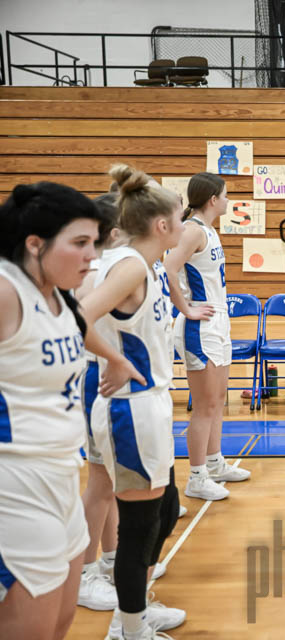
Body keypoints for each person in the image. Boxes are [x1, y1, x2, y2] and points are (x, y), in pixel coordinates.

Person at [0, 182, 128, 639]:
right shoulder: (6, 290)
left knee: (60, 622)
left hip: (61, 476)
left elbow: (77, 328)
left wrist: (115, 358)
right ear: (35, 244)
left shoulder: (57, 295)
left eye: (95, 242)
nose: (92, 255)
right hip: (16, 485)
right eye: (80, 243)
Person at [83, 165, 187, 639]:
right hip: (131, 408)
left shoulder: (141, 264)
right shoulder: (127, 267)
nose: (185, 224)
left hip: (150, 403)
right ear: (162, 225)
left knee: (164, 510)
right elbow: (73, 316)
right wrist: (113, 358)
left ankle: (136, 610)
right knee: (140, 527)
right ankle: (127, 630)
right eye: (179, 217)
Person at [164, 172, 250, 503]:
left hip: (218, 322)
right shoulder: (192, 231)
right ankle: (197, 477)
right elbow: (168, 268)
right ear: (213, 199)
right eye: (226, 195)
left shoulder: (209, 230)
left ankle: (214, 463)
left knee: (218, 399)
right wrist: (185, 308)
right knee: (204, 405)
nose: (229, 201)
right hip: (200, 327)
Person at [75, 194, 124, 612]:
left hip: (111, 378)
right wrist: (116, 359)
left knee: (111, 483)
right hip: (98, 378)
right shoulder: (97, 273)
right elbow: (80, 325)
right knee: (101, 483)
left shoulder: (118, 267)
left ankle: (111, 558)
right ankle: (84, 573)